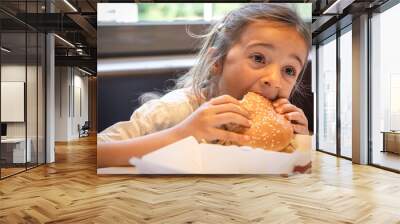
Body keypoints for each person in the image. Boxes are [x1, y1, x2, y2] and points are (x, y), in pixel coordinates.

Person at [97, 4, 311, 168]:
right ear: (216, 62)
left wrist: (301, 142)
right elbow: (97, 153)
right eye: (258, 58)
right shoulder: (175, 110)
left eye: (289, 70)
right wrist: (180, 134)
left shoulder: (277, 126)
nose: (274, 79)